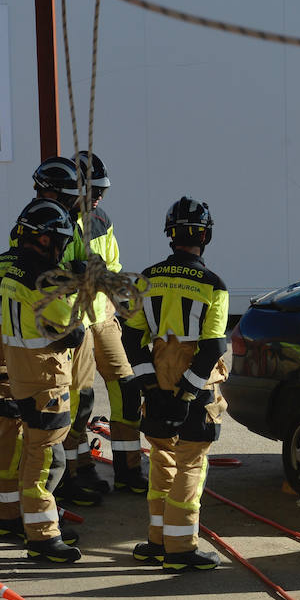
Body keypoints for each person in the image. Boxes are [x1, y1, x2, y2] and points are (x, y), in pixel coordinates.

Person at [121, 197, 227, 572]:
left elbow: (132, 338)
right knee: (191, 464)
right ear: (206, 236)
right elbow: (213, 345)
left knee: (162, 458)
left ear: (170, 235)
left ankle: (158, 541)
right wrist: (188, 393)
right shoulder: (213, 285)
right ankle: (181, 549)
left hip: (157, 376)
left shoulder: (145, 279)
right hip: (193, 381)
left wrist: (150, 386)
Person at [0, 199, 86, 563]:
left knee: (36, 455)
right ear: (47, 240)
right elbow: (75, 332)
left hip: (23, 378)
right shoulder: (40, 281)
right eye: (61, 241)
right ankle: (43, 538)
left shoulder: (14, 270)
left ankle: (38, 527)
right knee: (46, 460)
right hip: (46, 382)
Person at [56, 150, 146, 503]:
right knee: (80, 400)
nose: (99, 197)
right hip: (72, 320)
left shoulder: (101, 220)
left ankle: (128, 469)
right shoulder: (53, 220)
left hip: (102, 315)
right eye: (93, 190)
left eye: (102, 190)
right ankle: (74, 472)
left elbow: (112, 265)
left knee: (126, 387)